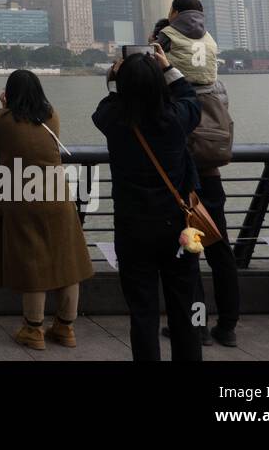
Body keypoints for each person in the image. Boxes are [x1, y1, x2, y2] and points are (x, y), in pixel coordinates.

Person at [93, 48, 203, 361]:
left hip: (133, 229)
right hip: (179, 228)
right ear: (159, 83)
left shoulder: (113, 121)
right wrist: (169, 68)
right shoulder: (177, 119)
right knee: (184, 308)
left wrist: (114, 77)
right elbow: (191, 98)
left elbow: (105, 105)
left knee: (142, 311)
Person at [0, 69, 93, 350]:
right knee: (67, 263)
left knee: (33, 262)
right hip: (59, 196)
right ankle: (65, 328)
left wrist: (3, 108)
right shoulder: (51, 115)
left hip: (23, 197)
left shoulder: (5, 119)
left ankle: (33, 330)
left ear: (10, 93)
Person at [151, 0, 240, 347]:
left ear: (173, 15)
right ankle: (229, 326)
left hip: (182, 179)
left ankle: (196, 326)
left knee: (189, 251)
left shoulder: (171, 87)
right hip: (212, 173)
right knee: (221, 251)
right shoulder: (216, 80)